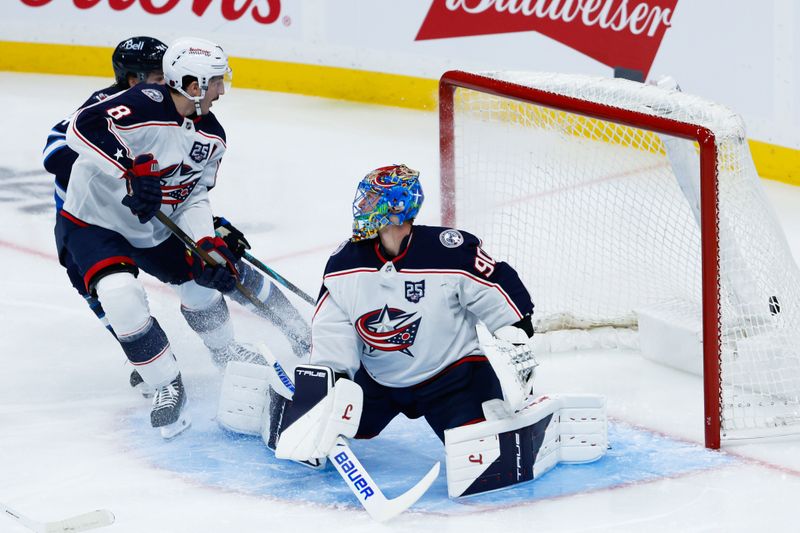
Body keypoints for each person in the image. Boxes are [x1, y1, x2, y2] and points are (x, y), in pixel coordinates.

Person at [57, 37, 308, 439]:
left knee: (202, 281)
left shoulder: (212, 136)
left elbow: (194, 195)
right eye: (215, 82)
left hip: (155, 225)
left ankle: (224, 350)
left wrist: (205, 242)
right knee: (120, 294)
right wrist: (130, 168)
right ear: (192, 84)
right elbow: (81, 128)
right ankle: (166, 385)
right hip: (94, 222)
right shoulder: (142, 101)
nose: (221, 90)